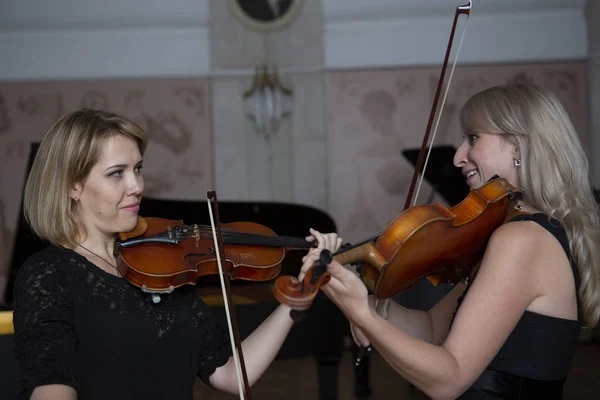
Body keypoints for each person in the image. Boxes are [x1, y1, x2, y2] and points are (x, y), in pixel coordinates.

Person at [12, 108, 343, 400]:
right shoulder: (47, 274)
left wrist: (298, 294)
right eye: (117, 173)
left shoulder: (161, 265)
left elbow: (232, 376)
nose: (137, 186)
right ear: (73, 185)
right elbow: (51, 384)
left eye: (137, 169)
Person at [300, 84, 600, 399]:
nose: (458, 157)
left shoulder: (522, 239)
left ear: (517, 146)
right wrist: (370, 306)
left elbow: (449, 379)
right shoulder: (524, 232)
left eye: (473, 138)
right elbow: (430, 328)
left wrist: (361, 314)